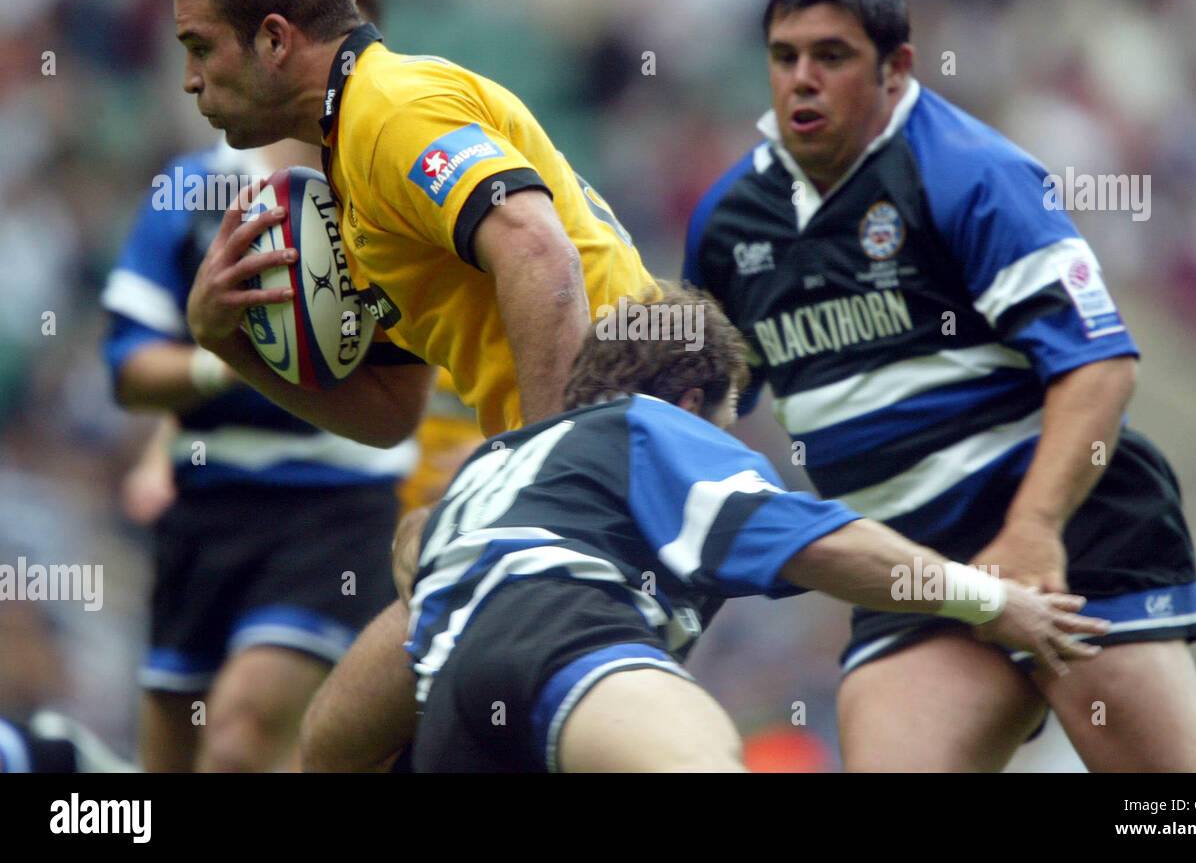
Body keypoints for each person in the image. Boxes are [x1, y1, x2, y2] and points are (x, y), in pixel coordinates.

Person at [684, 0, 1196, 773]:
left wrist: (1032, 529)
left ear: (895, 69)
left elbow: (1102, 367)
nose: (801, 79)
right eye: (785, 55)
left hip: (1068, 531)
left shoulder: (970, 174)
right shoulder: (729, 225)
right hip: (912, 571)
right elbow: (709, 409)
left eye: (832, 57)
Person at [168, 0, 655, 770]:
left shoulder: (391, 109)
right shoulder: (347, 177)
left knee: (352, 742)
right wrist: (228, 346)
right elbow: (391, 410)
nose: (188, 80)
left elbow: (539, 253)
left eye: (200, 48)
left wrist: (550, 484)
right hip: (590, 455)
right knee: (350, 741)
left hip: (617, 449)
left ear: (275, 39)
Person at [397, 284, 1108, 772]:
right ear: (690, 398)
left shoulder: (490, 466)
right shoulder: (656, 427)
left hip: (445, 717)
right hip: (561, 641)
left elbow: (412, 558)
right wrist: (993, 599)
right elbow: (827, 548)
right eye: (729, 420)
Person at [103, 131, 417, 772]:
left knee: (241, 735)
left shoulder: (385, 191)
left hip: (336, 508)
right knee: (169, 754)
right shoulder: (193, 187)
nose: (194, 78)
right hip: (203, 507)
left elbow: (412, 374)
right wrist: (223, 359)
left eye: (203, 49)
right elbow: (128, 369)